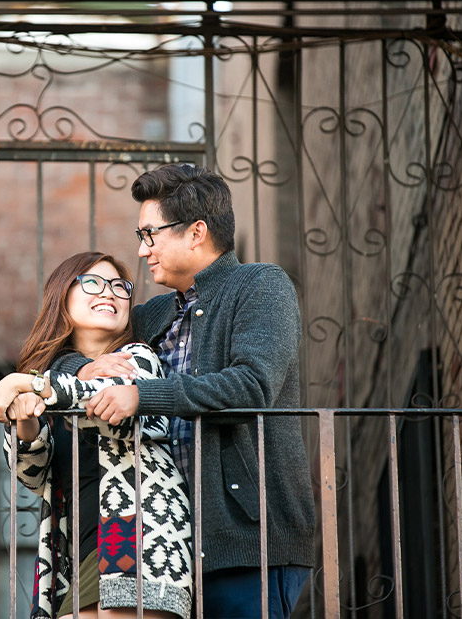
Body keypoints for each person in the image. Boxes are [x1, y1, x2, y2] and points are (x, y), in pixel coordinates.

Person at [52, 164, 315, 619]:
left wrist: (143, 395)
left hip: (248, 543)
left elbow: (251, 387)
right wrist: (81, 366)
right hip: (165, 550)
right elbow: (81, 342)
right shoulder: (154, 315)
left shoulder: (260, 286)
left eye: (150, 234)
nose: (142, 249)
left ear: (196, 232)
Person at [0, 251, 193, 619]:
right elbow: (32, 475)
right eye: (92, 283)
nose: (108, 293)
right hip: (73, 547)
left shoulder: (137, 356)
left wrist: (23, 383)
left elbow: (110, 404)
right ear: (62, 297)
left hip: (133, 528)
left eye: (119, 287)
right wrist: (27, 420)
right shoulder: (51, 379)